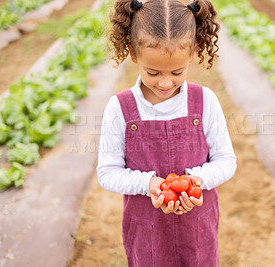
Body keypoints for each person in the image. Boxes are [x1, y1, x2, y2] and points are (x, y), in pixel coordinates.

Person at [97, 0, 237, 265]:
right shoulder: (120, 108)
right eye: (153, 72)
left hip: (197, 225)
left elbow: (226, 161)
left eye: (177, 72)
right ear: (133, 54)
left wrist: (196, 181)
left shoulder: (205, 100)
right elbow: (107, 172)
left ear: (193, 53)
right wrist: (148, 184)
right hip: (146, 228)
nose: (165, 82)